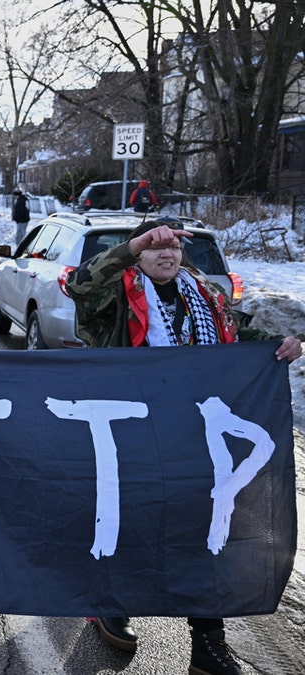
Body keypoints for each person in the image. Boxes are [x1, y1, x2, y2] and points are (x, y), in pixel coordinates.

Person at [66, 217, 301, 675]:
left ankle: (208, 644)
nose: (166, 254)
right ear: (139, 253)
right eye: (155, 247)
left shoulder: (205, 293)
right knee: (131, 523)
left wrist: (277, 345)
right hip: (132, 436)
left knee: (206, 530)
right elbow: (79, 285)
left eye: (172, 246)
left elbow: (234, 338)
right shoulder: (115, 295)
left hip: (194, 438)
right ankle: (113, 606)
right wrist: (132, 245)